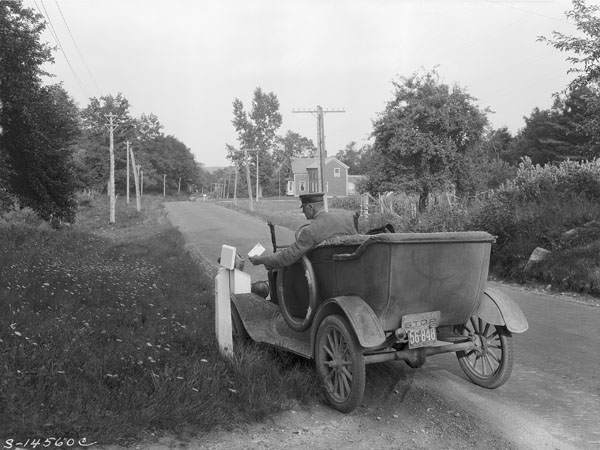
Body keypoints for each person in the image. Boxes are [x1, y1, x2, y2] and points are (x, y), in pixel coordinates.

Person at [248, 192, 357, 269]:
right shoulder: (346, 221)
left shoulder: (310, 231)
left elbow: (286, 258)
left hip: (321, 274)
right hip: (346, 269)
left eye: (303, 208)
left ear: (310, 207)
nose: (303, 212)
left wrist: (260, 260)